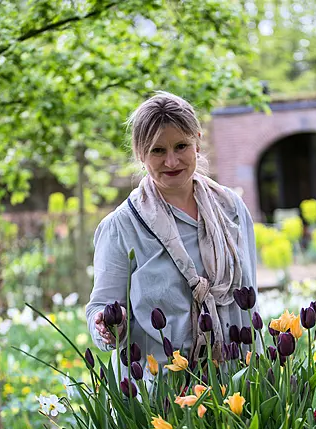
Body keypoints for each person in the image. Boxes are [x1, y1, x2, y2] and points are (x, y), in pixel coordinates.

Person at [86, 91, 258, 378]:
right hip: (160, 395)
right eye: (157, 150)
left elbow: (250, 295)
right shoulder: (123, 226)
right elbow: (99, 309)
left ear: (198, 143)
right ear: (140, 153)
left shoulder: (232, 209)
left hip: (234, 383)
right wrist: (107, 326)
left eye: (181, 146)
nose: (171, 161)